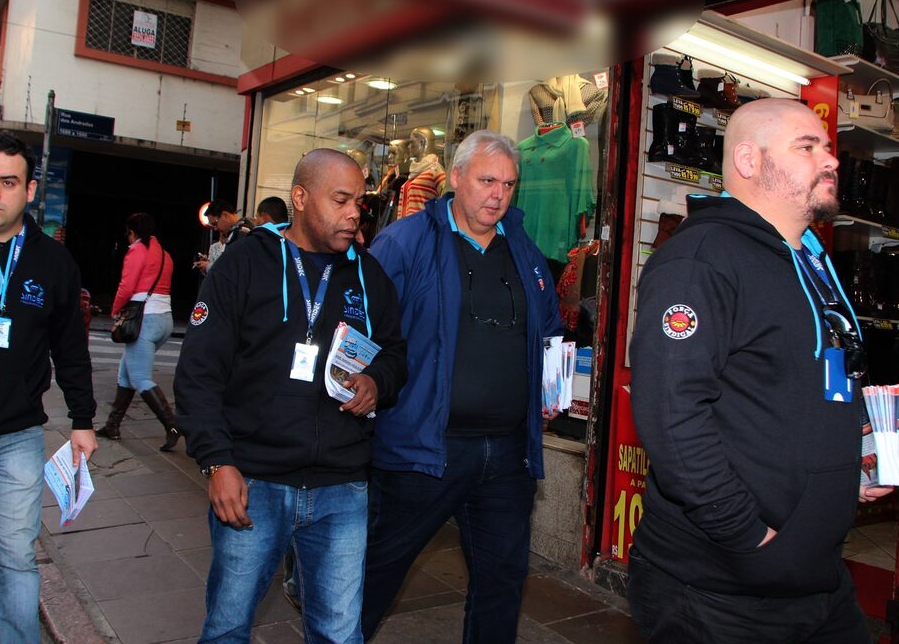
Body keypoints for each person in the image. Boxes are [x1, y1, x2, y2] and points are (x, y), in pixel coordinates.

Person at [627, 98, 894, 644]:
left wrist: (854, 462)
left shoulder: (812, 261)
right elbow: (670, 414)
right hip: (720, 589)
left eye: (825, 145)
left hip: (814, 578)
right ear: (749, 161)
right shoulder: (700, 260)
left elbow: (811, 380)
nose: (831, 159)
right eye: (807, 146)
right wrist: (745, 531)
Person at [175, 149, 407, 644]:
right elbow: (199, 372)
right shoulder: (244, 263)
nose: (354, 213)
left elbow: (394, 352)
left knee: (340, 634)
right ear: (300, 198)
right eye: (341, 200)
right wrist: (217, 463)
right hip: (254, 483)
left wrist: (377, 383)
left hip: (342, 487)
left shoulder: (367, 275)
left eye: (360, 203)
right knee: (228, 628)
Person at [362, 130, 563, 642]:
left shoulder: (523, 247)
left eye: (509, 184)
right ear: (456, 178)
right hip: (424, 451)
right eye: (487, 180)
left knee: (502, 582)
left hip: (508, 455)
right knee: (379, 572)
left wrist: (554, 389)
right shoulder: (404, 243)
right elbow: (364, 329)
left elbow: (550, 329)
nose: (497, 194)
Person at [0, 130, 98, 643]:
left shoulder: (53, 263)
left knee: (16, 562)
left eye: (8, 182)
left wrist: (82, 421)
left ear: (30, 191)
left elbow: (71, 349)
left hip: (15, 437)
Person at [96, 213, 179, 451]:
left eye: (128, 234)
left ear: (133, 232)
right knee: (127, 372)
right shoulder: (165, 255)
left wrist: (114, 312)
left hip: (145, 321)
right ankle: (112, 425)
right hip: (164, 320)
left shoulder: (137, 251)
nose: (127, 238)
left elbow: (126, 287)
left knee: (141, 377)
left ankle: (172, 425)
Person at [195, 200, 253, 274]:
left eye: (215, 224)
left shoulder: (243, 233)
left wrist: (209, 267)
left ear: (225, 215)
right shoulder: (238, 233)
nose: (215, 229)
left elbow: (235, 270)